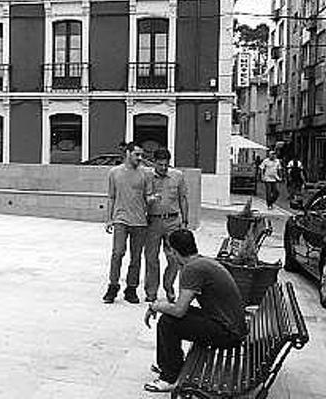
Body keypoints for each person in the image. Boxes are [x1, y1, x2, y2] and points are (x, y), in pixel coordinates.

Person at [142, 229, 246, 393]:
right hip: (231, 325)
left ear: (174, 251)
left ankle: (169, 377)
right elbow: (182, 306)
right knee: (171, 316)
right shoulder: (202, 262)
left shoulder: (191, 269)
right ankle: (169, 363)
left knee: (168, 322)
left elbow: (178, 311)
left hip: (228, 333)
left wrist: (155, 306)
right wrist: (162, 305)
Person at [103, 142, 156, 304]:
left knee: (136, 257)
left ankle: (131, 288)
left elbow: (148, 196)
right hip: (120, 219)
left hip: (139, 221)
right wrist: (109, 218)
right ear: (128, 153)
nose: (140, 158)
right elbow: (111, 197)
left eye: (141, 155)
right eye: (137, 154)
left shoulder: (146, 174)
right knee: (117, 253)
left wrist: (152, 200)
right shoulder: (114, 173)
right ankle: (113, 286)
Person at [144, 148, 189, 304]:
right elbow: (141, 198)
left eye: (166, 164)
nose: (163, 168)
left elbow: (182, 198)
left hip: (172, 222)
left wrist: (185, 221)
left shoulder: (178, 176)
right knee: (151, 258)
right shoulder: (147, 177)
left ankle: (169, 286)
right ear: (154, 162)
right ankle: (151, 292)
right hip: (153, 222)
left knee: (174, 258)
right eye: (160, 164)